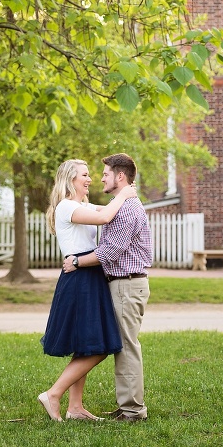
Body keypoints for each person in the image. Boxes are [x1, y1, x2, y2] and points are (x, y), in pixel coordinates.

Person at [37, 159, 136, 422]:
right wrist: (125, 192)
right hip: (79, 274)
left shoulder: (82, 205)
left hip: (89, 273)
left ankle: (76, 407)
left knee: (85, 344)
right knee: (97, 347)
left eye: (90, 174)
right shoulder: (67, 206)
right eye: (85, 174)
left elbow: (110, 211)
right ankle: (53, 394)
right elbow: (105, 217)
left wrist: (123, 196)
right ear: (71, 180)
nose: (90, 179)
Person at [63, 153, 153, 423]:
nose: (100, 178)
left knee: (126, 346)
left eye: (105, 173)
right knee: (123, 346)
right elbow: (101, 217)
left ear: (120, 176)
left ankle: (133, 411)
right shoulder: (121, 204)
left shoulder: (127, 209)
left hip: (127, 284)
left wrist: (77, 262)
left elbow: (110, 251)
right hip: (122, 284)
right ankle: (128, 406)